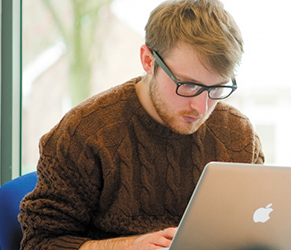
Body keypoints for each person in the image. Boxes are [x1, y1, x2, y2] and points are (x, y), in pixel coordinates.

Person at [19, 0, 264, 249]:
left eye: (217, 88)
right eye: (188, 85)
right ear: (148, 61)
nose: (201, 107)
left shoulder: (237, 135)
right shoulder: (85, 134)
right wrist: (127, 246)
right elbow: (40, 242)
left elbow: (261, 226)